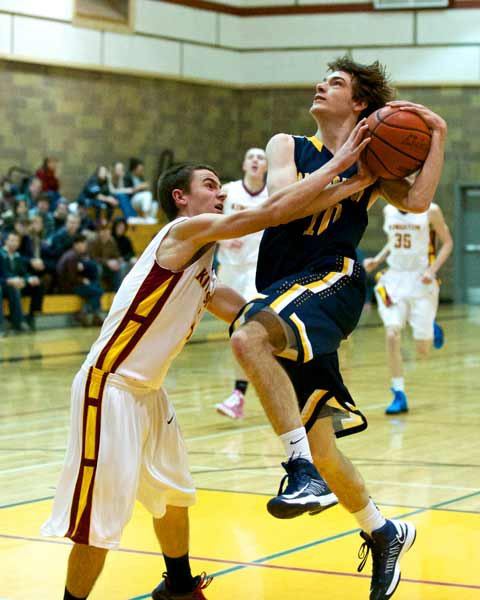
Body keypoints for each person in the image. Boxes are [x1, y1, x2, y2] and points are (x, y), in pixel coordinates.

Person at [41, 130, 373, 600]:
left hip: (149, 394)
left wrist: (313, 328)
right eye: (211, 185)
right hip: (108, 387)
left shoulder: (203, 272)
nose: (222, 193)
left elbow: (250, 316)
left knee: (174, 494)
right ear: (181, 198)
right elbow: (270, 213)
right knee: (101, 519)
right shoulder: (180, 233)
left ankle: (179, 587)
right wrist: (345, 172)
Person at [229, 56, 447, 599]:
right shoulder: (288, 145)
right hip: (285, 285)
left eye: (336, 83)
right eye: (322, 80)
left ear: (359, 105)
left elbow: (418, 200)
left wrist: (437, 133)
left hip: (333, 277)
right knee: (324, 443)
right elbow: (279, 207)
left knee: (246, 335)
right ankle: (383, 531)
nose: (320, 86)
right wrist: (347, 173)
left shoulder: (377, 156)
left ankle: (298, 470)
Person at [363, 202, 453, 414]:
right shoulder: (388, 210)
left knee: (423, 349)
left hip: (421, 280)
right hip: (393, 279)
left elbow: (448, 243)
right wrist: (377, 260)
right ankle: (398, 392)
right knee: (392, 334)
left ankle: (431, 327)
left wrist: (432, 270)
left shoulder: (431, 211)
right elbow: (393, 242)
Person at [215, 147, 268, 419]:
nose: (256, 160)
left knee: (243, 328)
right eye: (251, 157)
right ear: (244, 164)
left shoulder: (274, 193)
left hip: (257, 271)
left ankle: (238, 395)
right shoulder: (229, 191)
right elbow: (209, 220)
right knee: (237, 332)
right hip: (228, 269)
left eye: (261, 157)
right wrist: (222, 238)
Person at [0, 231, 44, 332]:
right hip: (4, 286)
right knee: (13, 288)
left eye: (17, 241)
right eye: (12, 240)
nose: (15, 243)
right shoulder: (1, 255)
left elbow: (23, 273)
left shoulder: (17, 256)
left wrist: (29, 278)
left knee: (38, 284)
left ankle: (32, 316)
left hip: (16, 283)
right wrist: (9, 281)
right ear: (5, 241)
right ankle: (18, 322)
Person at [56, 234, 104, 327]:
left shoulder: (73, 254)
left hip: (71, 284)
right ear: (76, 245)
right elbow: (71, 278)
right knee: (98, 291)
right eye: (83, 244)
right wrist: (82, 280)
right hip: (70, 287)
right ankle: (92, 315)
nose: (85, 247)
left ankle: (85, 314)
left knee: (94, 290)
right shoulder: (72, 257)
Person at [125, 158, 157, 222]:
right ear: (135, 168)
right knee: (147, 195)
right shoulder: (127, 177)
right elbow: (127, 190)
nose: (141, 171)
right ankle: (146, 216)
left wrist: (146, 186)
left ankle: (150, 219)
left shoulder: (140, 177)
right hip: (132, 200)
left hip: (141, 199)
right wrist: (139, 187)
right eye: (140, 169)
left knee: (154, 203)